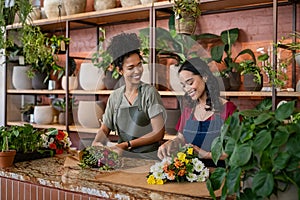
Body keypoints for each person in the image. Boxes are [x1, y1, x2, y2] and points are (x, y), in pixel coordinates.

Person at [92, 32, 166, 160]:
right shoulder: (115, 97)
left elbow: (158, 133)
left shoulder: (150, 93)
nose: (137, 71)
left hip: (148, 159)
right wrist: (96, 142)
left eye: (139, 65)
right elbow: (105, 129)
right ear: (120, 71)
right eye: (131, 67)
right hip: (123, 159)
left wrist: (126, 145)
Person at [157, 57, 237, 166]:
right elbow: (181, 138)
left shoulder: (228, 109)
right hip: (191, 173)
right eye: (184, 85)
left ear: (205, 77)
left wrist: (206, 154)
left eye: (190, 82)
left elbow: (237, 150)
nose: (187, 89)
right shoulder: (189, 110)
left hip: (219, 173)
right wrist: (170, 143)